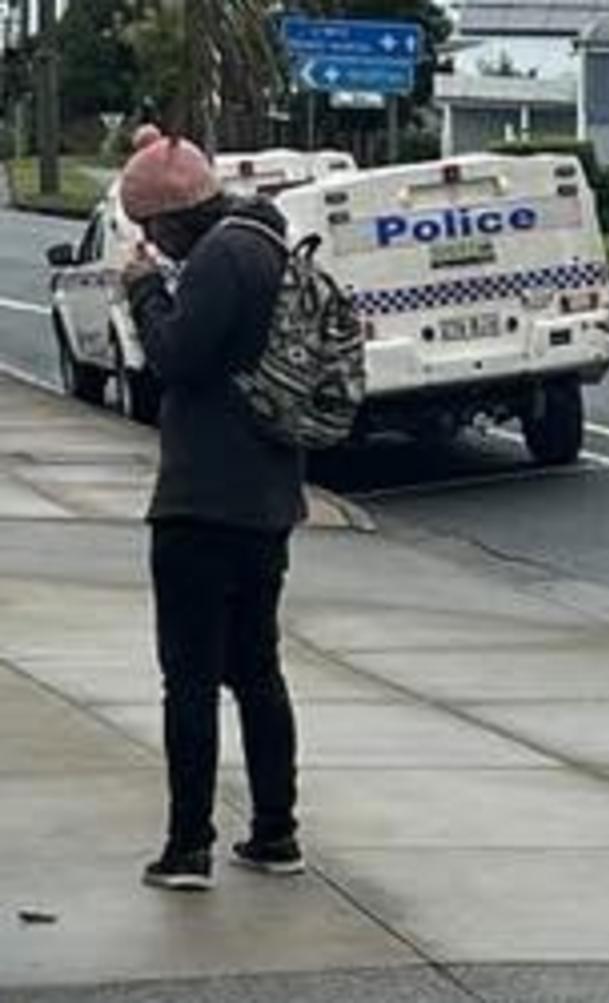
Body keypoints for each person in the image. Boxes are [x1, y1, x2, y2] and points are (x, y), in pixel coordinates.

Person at [119, 135, 306, 891]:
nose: (150, 243)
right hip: (265, 496)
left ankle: (188, 843)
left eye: (151, 229)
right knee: (257, 670)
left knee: (189, 678)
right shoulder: (266, 242)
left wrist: (143, 289)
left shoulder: (221, 259)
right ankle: (275, 830)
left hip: (203, 501)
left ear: (172, 221)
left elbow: (174, 355)